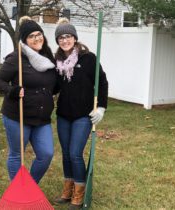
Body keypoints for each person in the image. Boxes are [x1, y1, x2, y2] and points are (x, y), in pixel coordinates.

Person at [0, 16, 57, 184]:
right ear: (25, 40)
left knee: (46, 154)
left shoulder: (49, 57)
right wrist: (11, 91)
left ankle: (29, 187)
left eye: (39, 34)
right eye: (31, 36)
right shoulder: (17, 58)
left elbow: (54, 85)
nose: (37, 38)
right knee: (17, 154)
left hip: (42, 118)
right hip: (17, 116)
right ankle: (18, 191)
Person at [53, 18, 109, 209]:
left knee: (75, 153)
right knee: (66, 155)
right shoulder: (57, 61)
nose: (64, 40)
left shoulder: (88, 58)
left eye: (68, 36)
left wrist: (101, 107)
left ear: (75, 38)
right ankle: (67, 190)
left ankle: (79, 193)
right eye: (60, 37)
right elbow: (53, 87)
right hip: (63, 115)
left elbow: (102, 82)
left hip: (83, 115)